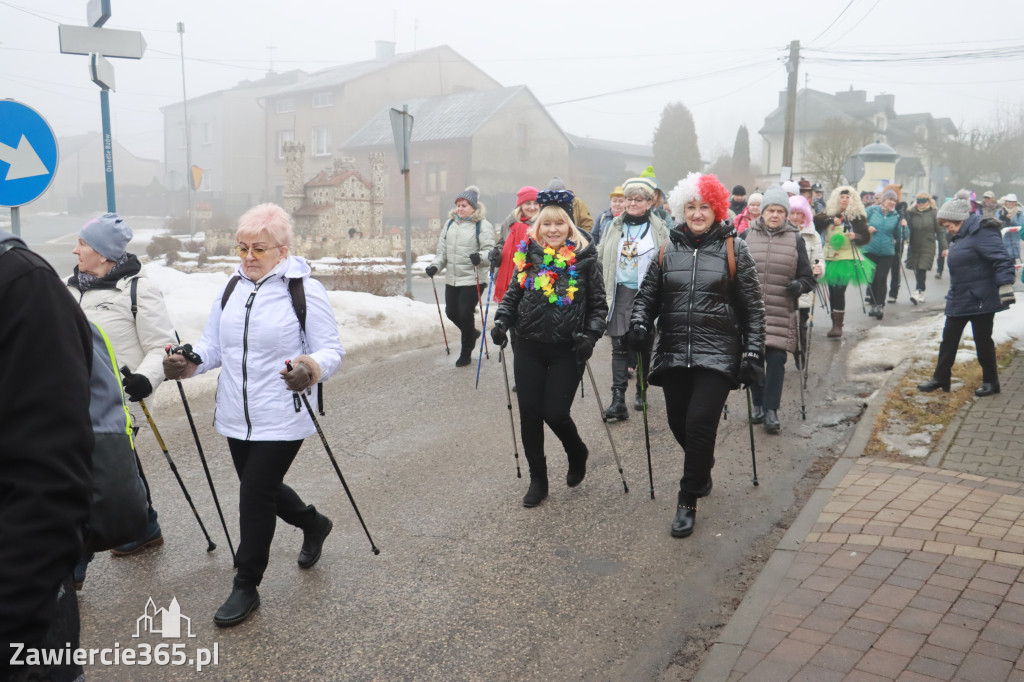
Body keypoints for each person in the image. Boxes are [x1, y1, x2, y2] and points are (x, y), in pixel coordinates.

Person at [164, 203, 345, 627]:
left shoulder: (304, 290)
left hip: (283, 412)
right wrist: (189, 360)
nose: (248, 257)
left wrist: (309, 368)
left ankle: (246, 583)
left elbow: (330, 350)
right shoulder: (232, 287)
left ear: (282, 251)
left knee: (253, 495)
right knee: (259, 486)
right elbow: (215, 346)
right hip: (235, 412)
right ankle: (313, 523)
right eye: (242, 247)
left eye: (258, 248)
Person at [628, 172, 765, 538]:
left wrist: (753, 352)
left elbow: (753, 307)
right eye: (691, 206)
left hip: (718, 353)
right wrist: (639, 323)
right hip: (673, 350)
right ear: (681, 210)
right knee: (679, 423)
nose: (698, 213)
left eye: (705, 206)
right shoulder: (665, 250)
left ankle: (687, 500)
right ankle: (701, 463)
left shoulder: (736, 249)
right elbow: (646, 298)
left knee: (700, 422)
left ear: (717, 208)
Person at [1, 231, 93, 682]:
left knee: (258, 492)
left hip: (22, 616)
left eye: (85, 244)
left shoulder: (22, 284)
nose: (76, 251)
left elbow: (49, 479)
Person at [66, 213, 175, 583]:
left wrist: (146, 378)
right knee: (117, 468)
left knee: (86, 477)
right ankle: (145, 527)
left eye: (82, 244)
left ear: (103, 253)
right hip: (76, 400)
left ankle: (71, 568)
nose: (75, 249)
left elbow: (162, 346)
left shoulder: (137, 289)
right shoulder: (73, 289)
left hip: (121, 401)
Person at [490, 190, 607, 507]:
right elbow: (513, 296)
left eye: (559, 223)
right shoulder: (527, 254)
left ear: (569, 226)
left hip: (568, 348)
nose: (553, 230)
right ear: (537, 227)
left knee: (554, 412)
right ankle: (538, 480)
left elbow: (598, 307)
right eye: (547, 224)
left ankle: (577, 450)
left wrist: (590, 337)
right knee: (529, 414)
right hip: (527, 345)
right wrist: (501, 322)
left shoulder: (585, 260)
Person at [918, 190, 1015, 397]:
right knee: (948, 339)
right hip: (960, 296)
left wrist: (1005, 285)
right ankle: (940, 378)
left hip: (981, 297)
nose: (948, 229)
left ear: (959, 219)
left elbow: (1002, 259)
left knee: (983, 341)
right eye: (944, 226)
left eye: (948, 225)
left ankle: (991, 382)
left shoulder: (982, 232)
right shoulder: (960, 236)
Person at [740, 187, 814, 434]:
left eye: (780, 211)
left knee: (777, 361)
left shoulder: (796, 239)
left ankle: (771, 410)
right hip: (752, 312)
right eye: (771, 210)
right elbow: (733, 273)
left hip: (781, 311)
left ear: (786, 214)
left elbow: (807, 277)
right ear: (763, 212)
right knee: (754, 360)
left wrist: (799, 285)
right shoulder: (746, 236)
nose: (775, 215)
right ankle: (758, 405)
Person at [597, 176, 671, 419]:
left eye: (638, 199)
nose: (631, 203)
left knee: (643, 344)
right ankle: (618, 398)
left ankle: (642, 388)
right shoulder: (613, 226)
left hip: (646, 295)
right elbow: (600, 255)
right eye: (629, 199)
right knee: (618, 345)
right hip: (619, 292)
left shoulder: (660, 229)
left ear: (650, 203)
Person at [426, 185, 496, 367]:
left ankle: (466, 351)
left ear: (473, 207)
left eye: (464, 205)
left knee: (465, 313)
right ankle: (471, 333)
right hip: (453, 278)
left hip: (474, 278)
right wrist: (435, 266)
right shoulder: (449, 224)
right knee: (451, 312)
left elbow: (490, 252)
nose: (460, 208)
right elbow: (442, 252)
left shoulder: (483, 225)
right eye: (458, 205)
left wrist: (479, 257)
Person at [814, 186, 874, 339]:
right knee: (833, 291)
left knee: (839, 290)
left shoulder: (857, 217)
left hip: (847, 258)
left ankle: (837, 326)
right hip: (829, 257)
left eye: (848, 197)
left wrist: (856, 237)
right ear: (836, 198)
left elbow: (865, 237)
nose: (845, 200)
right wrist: (829, 219)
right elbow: (816, 223)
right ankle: (835, 322)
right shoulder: (828, 214)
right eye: (842, 197)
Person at [861, 189, 907, 319]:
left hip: (887, 253)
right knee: (872, 279)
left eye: (894, 200)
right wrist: (867, 228)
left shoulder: (896, 216)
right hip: (870, 250)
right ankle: (874, 304)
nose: (892, 202)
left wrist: (904, 227)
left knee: (881, 279)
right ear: (883, 200)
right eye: (889, 199)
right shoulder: (872, 211)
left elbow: (901, 236)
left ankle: (880, 305)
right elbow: (859, 224)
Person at [490, 186, 539, 304]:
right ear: (520, 205)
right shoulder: (510, 222)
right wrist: (497, 254)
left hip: (531, 280)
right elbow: (502, 243)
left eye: (535, 203)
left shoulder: (543, 223)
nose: (532, 207)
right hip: (507, 278)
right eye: (528, 203)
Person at [790, 195, 824, 365]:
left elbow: (819, 259)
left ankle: (800, 354)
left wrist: (819, 269)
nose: (795, 217)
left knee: (800, 326)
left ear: (805, 215)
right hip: (784, 285)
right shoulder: (781, 233)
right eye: (792, 213)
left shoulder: (813, 235)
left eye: (799, 213)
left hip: (803, 287)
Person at [905, 193, 946, 304]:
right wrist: (908, 210)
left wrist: (945, 247)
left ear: (929, 201)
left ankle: (917, 291)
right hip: (914, 246)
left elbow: (940, 232)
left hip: (928, 246)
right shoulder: (912, 213)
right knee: (916, 268)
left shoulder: (933, 214)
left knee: (921, 269)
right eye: (919, 201)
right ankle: (922, 290)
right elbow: (906, 226)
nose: (921, 204)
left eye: (924, 201)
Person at [996, 193, 1023, 263]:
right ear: (1006, 202)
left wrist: (1010, 221)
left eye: (1013, 202)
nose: (1011, 203)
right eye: (1009, 201)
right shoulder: (999, 212)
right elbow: (995, 224)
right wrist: (1001, 220)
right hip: (1002, 241)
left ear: (1016, 203)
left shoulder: (1019, 212)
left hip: (1014, 241)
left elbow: (1021, 224)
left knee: (1012, 263)